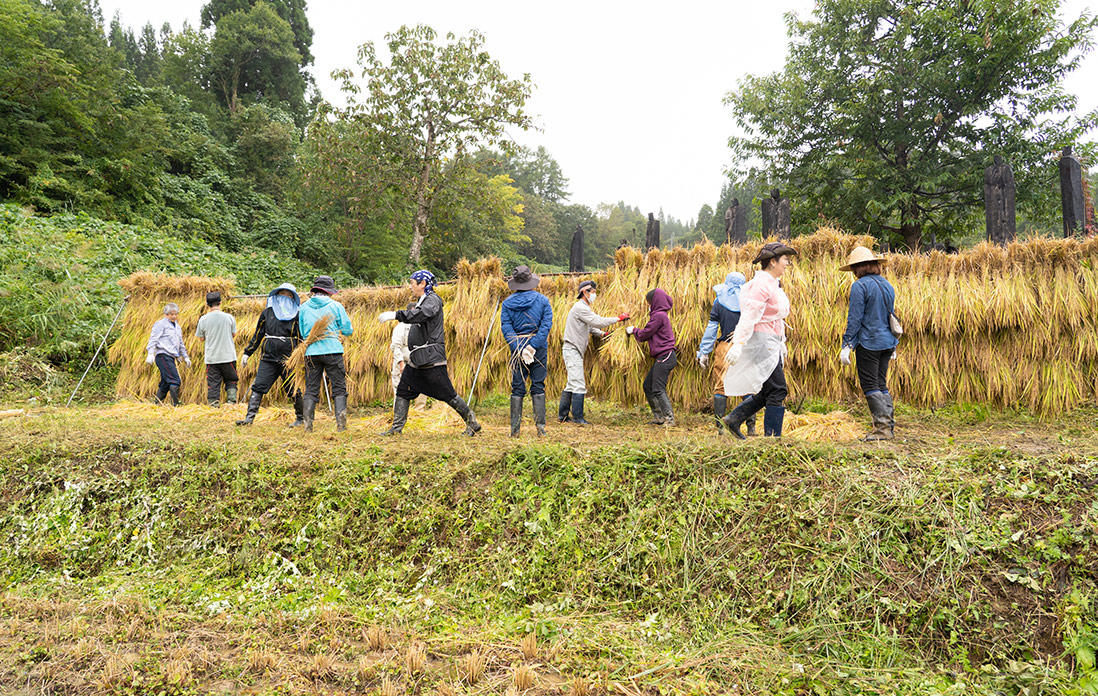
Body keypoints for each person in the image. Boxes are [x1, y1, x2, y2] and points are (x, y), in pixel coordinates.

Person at [377, 270, 481, 437]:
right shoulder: (423, 300)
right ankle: (396, 429)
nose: (410, 287)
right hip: (418, 359)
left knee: (448, 394)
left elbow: (422, 314)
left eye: (412, 283)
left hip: (431, 358)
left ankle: (472, 422)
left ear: (422, 284)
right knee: (404, 390)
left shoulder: (432, 300)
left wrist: (396, 315)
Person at [721, 242, 799, 438]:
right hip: (763, 342)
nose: (787, 264)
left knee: (768, 390)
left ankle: (734, 419)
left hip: (772, 342)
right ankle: (772, 439)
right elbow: (749, 316)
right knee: (778, 389)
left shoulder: (772, 283)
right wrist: (738, 344)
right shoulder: (761, 284)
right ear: (772, 262)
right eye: (784, 260)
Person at [839, 246, 899, 440]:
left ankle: (881, 430)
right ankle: (888, 426)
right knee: (881, 383)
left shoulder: (860, 286)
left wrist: (847, 345)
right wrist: (895, 345)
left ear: (858, 268)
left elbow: (854, 318)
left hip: (869, 342)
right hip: (887, 342)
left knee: (870, 384)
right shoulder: (887, 285)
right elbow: (892, 316)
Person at [560, 280, 629, 425]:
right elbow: (597, 321)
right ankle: (578, 418)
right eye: (593, 291)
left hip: (574, 349)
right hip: (572, 349)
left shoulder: (584, 308)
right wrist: (618, 318)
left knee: (571, 383)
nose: (594, 294)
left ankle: (563, 416)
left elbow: (590, 327)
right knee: (578, 384)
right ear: (585, 292)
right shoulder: (580, 308)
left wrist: (602, 334)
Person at [236, 283, 304, 427]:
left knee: (293, 388)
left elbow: (303, 337)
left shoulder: (299, 314)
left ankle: (301, 418)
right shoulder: (267, 313)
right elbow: (258, 334)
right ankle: (249, 418)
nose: (285, 297)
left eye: (288, 294)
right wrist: (248, 352)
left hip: (289, 359)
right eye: (282, 294)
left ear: (293, 297)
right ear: (277, 295)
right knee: (259, 385)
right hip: (268, 358)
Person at [696, 272, 755, 435]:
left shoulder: (719, 303)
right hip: (745, 347)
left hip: (725, 348)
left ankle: (720, 428)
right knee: (748, 385)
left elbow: (711, 329)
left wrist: (704, 352)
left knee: (721, 386)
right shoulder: (749, 303)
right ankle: (751, 428)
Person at [500, 265, 553, 437]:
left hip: (517, 349)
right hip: (538, 349)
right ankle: (541, 429)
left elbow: (506, 328)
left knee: (517, 387)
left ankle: (515, 431)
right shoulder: (543, 301)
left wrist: (520, 348)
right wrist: (533, 346)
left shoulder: (507, 304)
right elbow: (546, 326)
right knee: (538, 385)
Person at [298, 275, 353, 432]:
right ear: (329, 292)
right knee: (339, 387)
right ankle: (341, 426)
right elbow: (347, 330)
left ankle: (308, 426)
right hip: (333, 351)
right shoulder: (335, 306)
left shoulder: (304, 307)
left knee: (311, 388)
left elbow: (303, 333)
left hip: (311, 352)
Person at [626, 289, 678, 425]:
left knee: (658, 388)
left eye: (649, 303)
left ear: (654, 302)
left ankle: (669, 419)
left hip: (666, 356)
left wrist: (634, 330)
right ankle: (659, 417)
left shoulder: (659, 316)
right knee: (648, 386)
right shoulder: (660, 315)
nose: (648, 306)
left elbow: (646, 333)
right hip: (662, 356)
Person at [195, 291, 238, 407]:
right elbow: (234, 334)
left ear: (207, 304)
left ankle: (214, 405)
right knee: (231, 380)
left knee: (213, 383)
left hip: (212, 358)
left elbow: (200, 338)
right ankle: (231, 403)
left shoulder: (203, 319)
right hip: (228, 356)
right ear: (220, 302)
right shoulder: (229, 317)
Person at [145, 302, 190, 406]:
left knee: (165, 382)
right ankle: (176, 405)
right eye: (171, 314)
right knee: (175, 380)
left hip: (171, 357)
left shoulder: (177, 327)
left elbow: (180, 343)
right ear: (166, 314)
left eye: (175, 314)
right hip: (163, 356)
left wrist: (185, 356)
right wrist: (150, 353)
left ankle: (157, 404)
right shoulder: (161, 324)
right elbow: (153, 339)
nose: (174, 316)